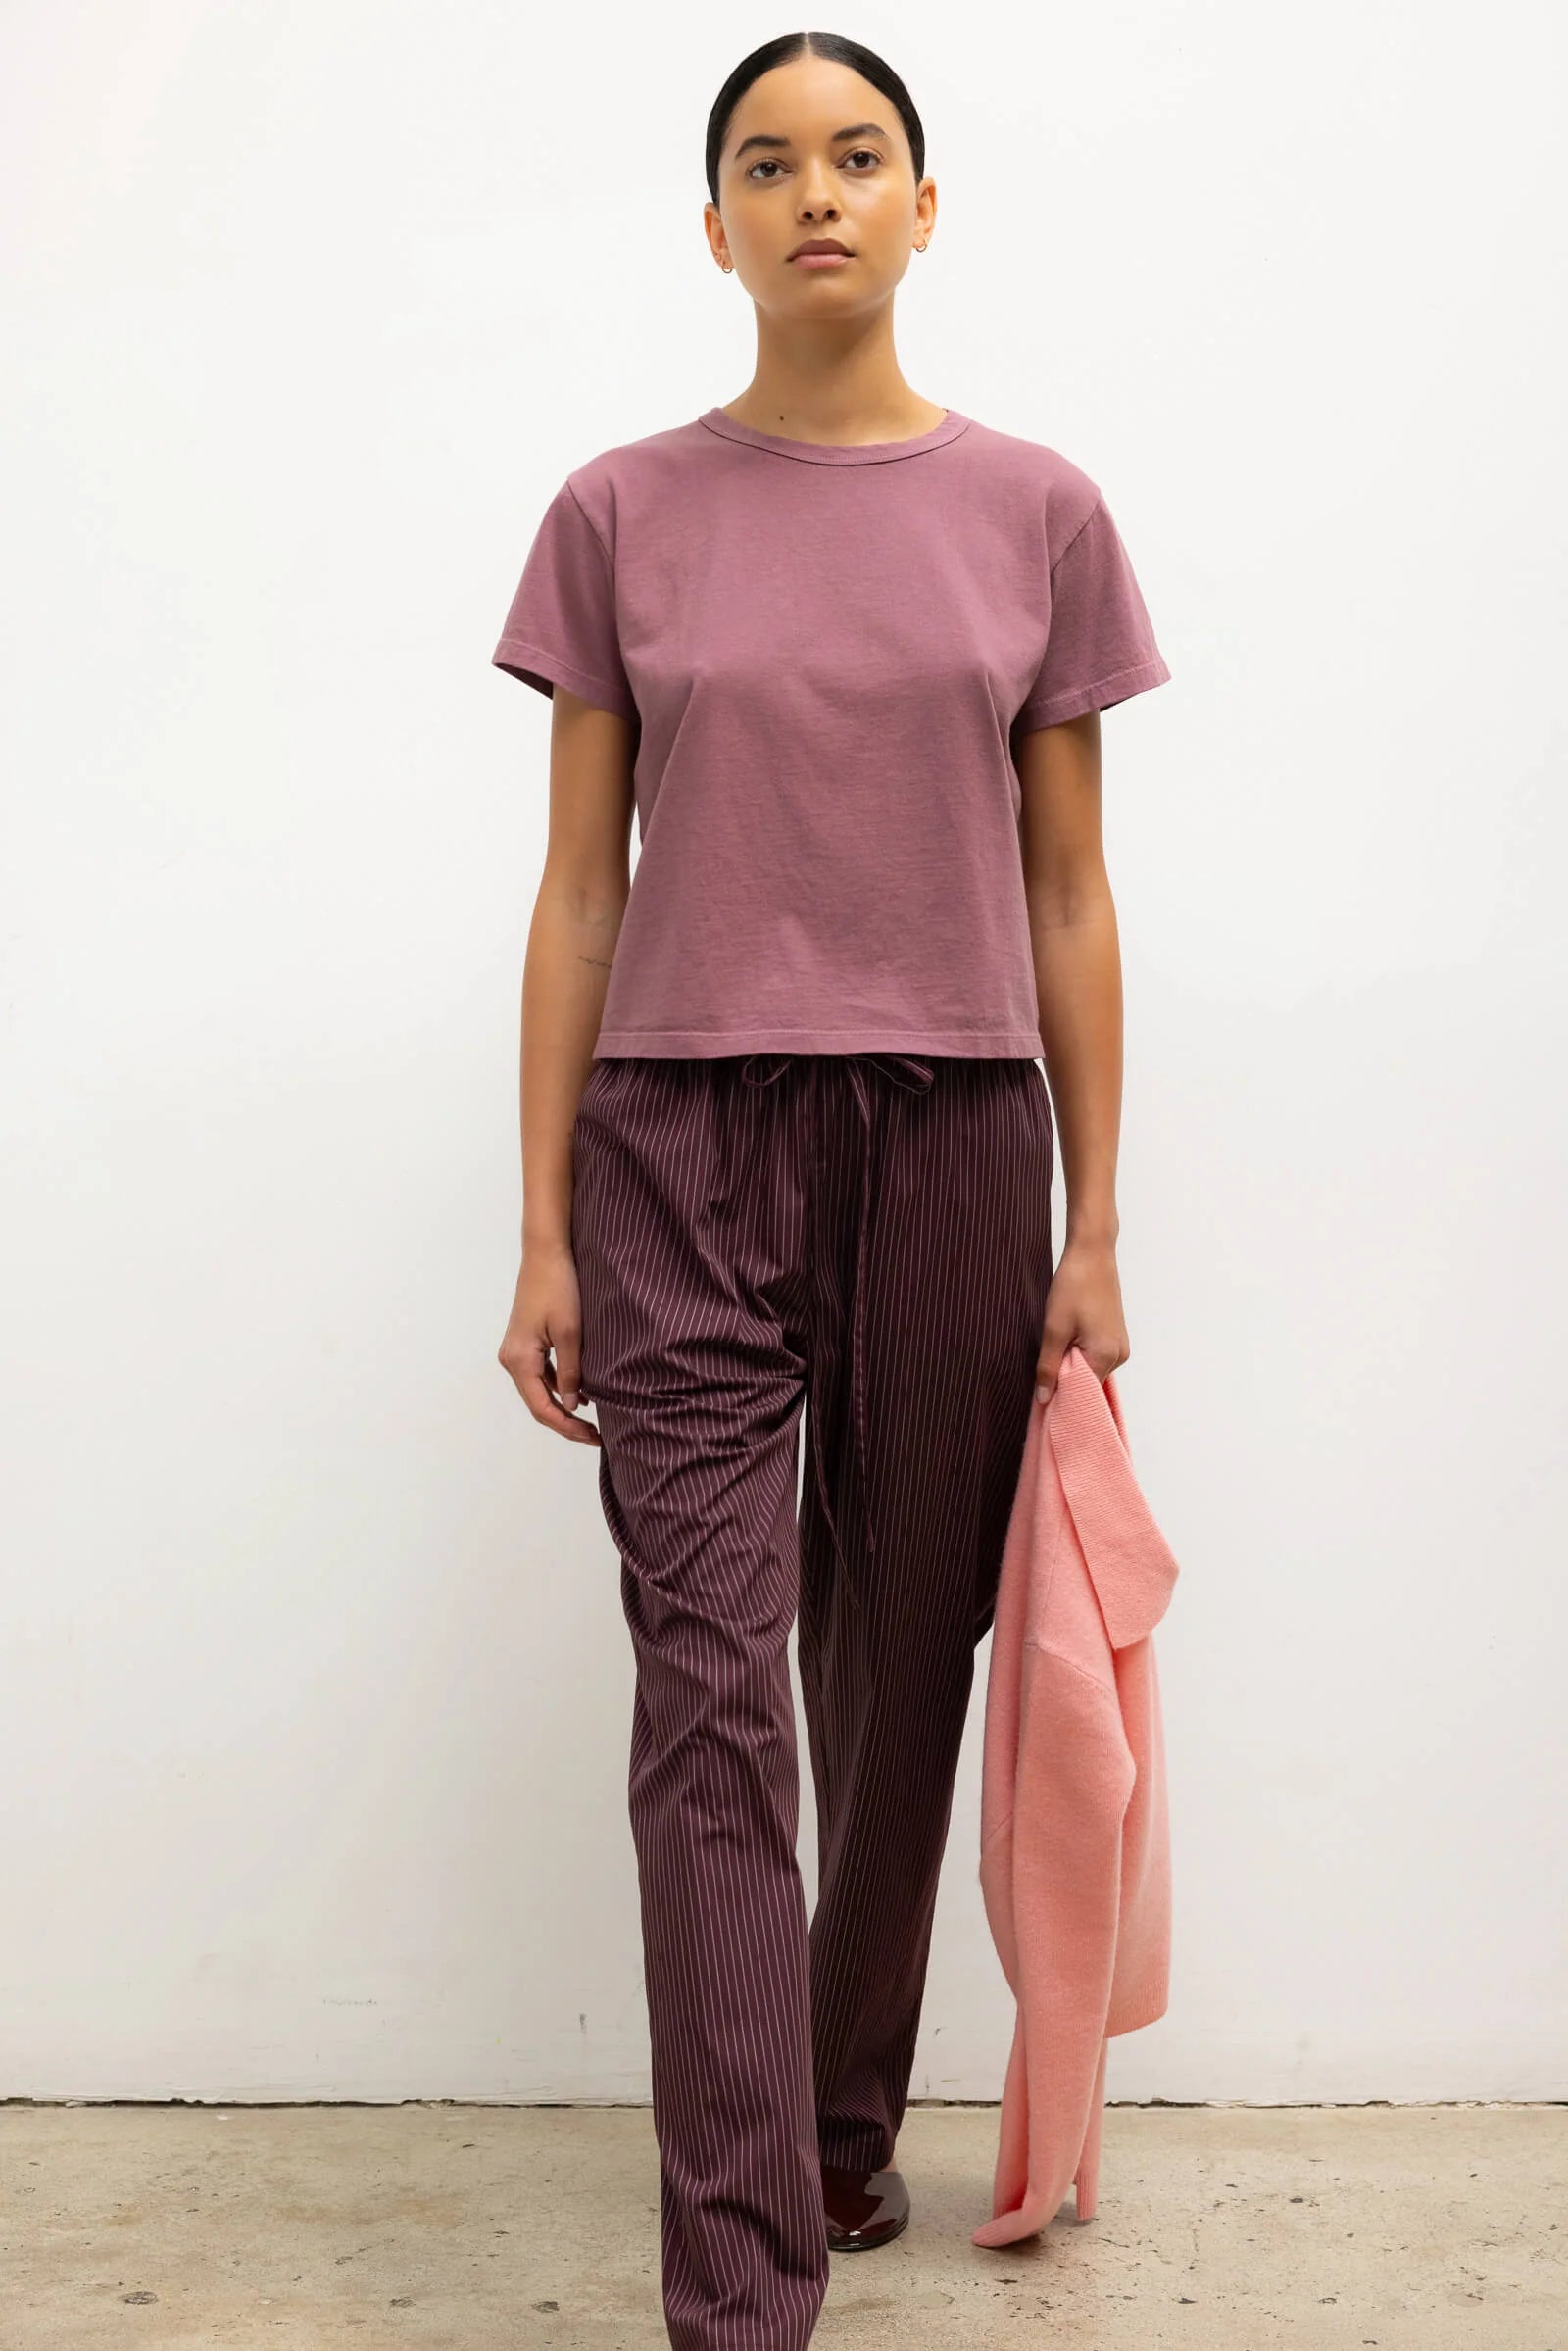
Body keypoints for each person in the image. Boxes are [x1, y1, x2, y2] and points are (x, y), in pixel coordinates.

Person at [493, 30, 1172, 2351]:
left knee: (893, 1661)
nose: (813, 194)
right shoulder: (614, 512)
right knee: (708, 1694)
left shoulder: (1037, 512)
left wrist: (1091, 1221)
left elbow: (1066, 891)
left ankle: (835, 2131)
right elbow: (579, 891)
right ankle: (738, 2293)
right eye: (766, 165)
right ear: (712, 228)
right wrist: (542, 1225)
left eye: (855, 157)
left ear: (920, 205)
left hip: (956, 1141)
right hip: (675, 1140)